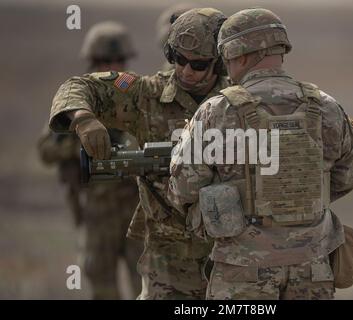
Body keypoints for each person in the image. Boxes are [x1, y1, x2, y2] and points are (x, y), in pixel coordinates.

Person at [167, 8, 353, 299]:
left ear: (241, 55)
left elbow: (183, 187)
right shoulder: (325, 106)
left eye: (227, 60)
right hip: (312, 267)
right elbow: (348, 176)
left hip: (242, 271)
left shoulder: (216, 111)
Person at [48, 8, 229, 299]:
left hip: (228, 256)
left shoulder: (238, 102)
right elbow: (76, 86)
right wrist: (83, 117)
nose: (185, 70)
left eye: (198, 64)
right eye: (178, 59)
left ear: (218, 63)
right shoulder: (146, 94)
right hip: (167, 261)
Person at [38, 21, 142, 299]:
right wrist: (79, 142)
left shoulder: (142, 95)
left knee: (146, 284)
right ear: (91, 63)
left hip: (139, 209)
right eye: (104, 61)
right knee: (103, 286)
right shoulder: (76, 102)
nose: (112, 66)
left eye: (118, 60)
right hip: (97, 211)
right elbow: (47, 149)